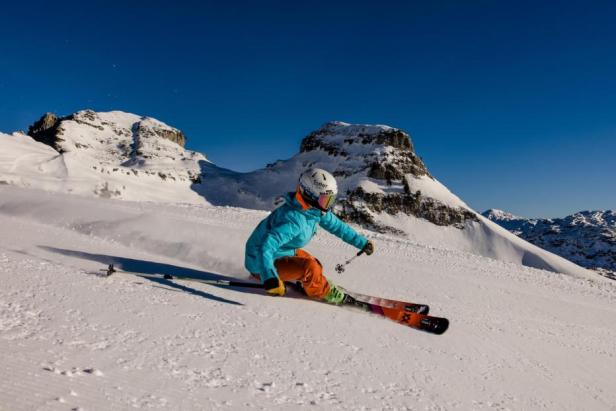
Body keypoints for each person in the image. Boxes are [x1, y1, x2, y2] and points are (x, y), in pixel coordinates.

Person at [244, 168, 374, 304]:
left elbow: (338, 227)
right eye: (325, 200)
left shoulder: (314, 211)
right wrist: (270, 278)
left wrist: (362, 243)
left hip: (283, 252)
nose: (328, 205)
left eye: (330, 200)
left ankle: (312, 284)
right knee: (310, 268)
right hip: (260, 263)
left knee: (315, 263)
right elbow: (266, 246)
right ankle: (327, 292)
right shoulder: (294, 219)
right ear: (310, 194)